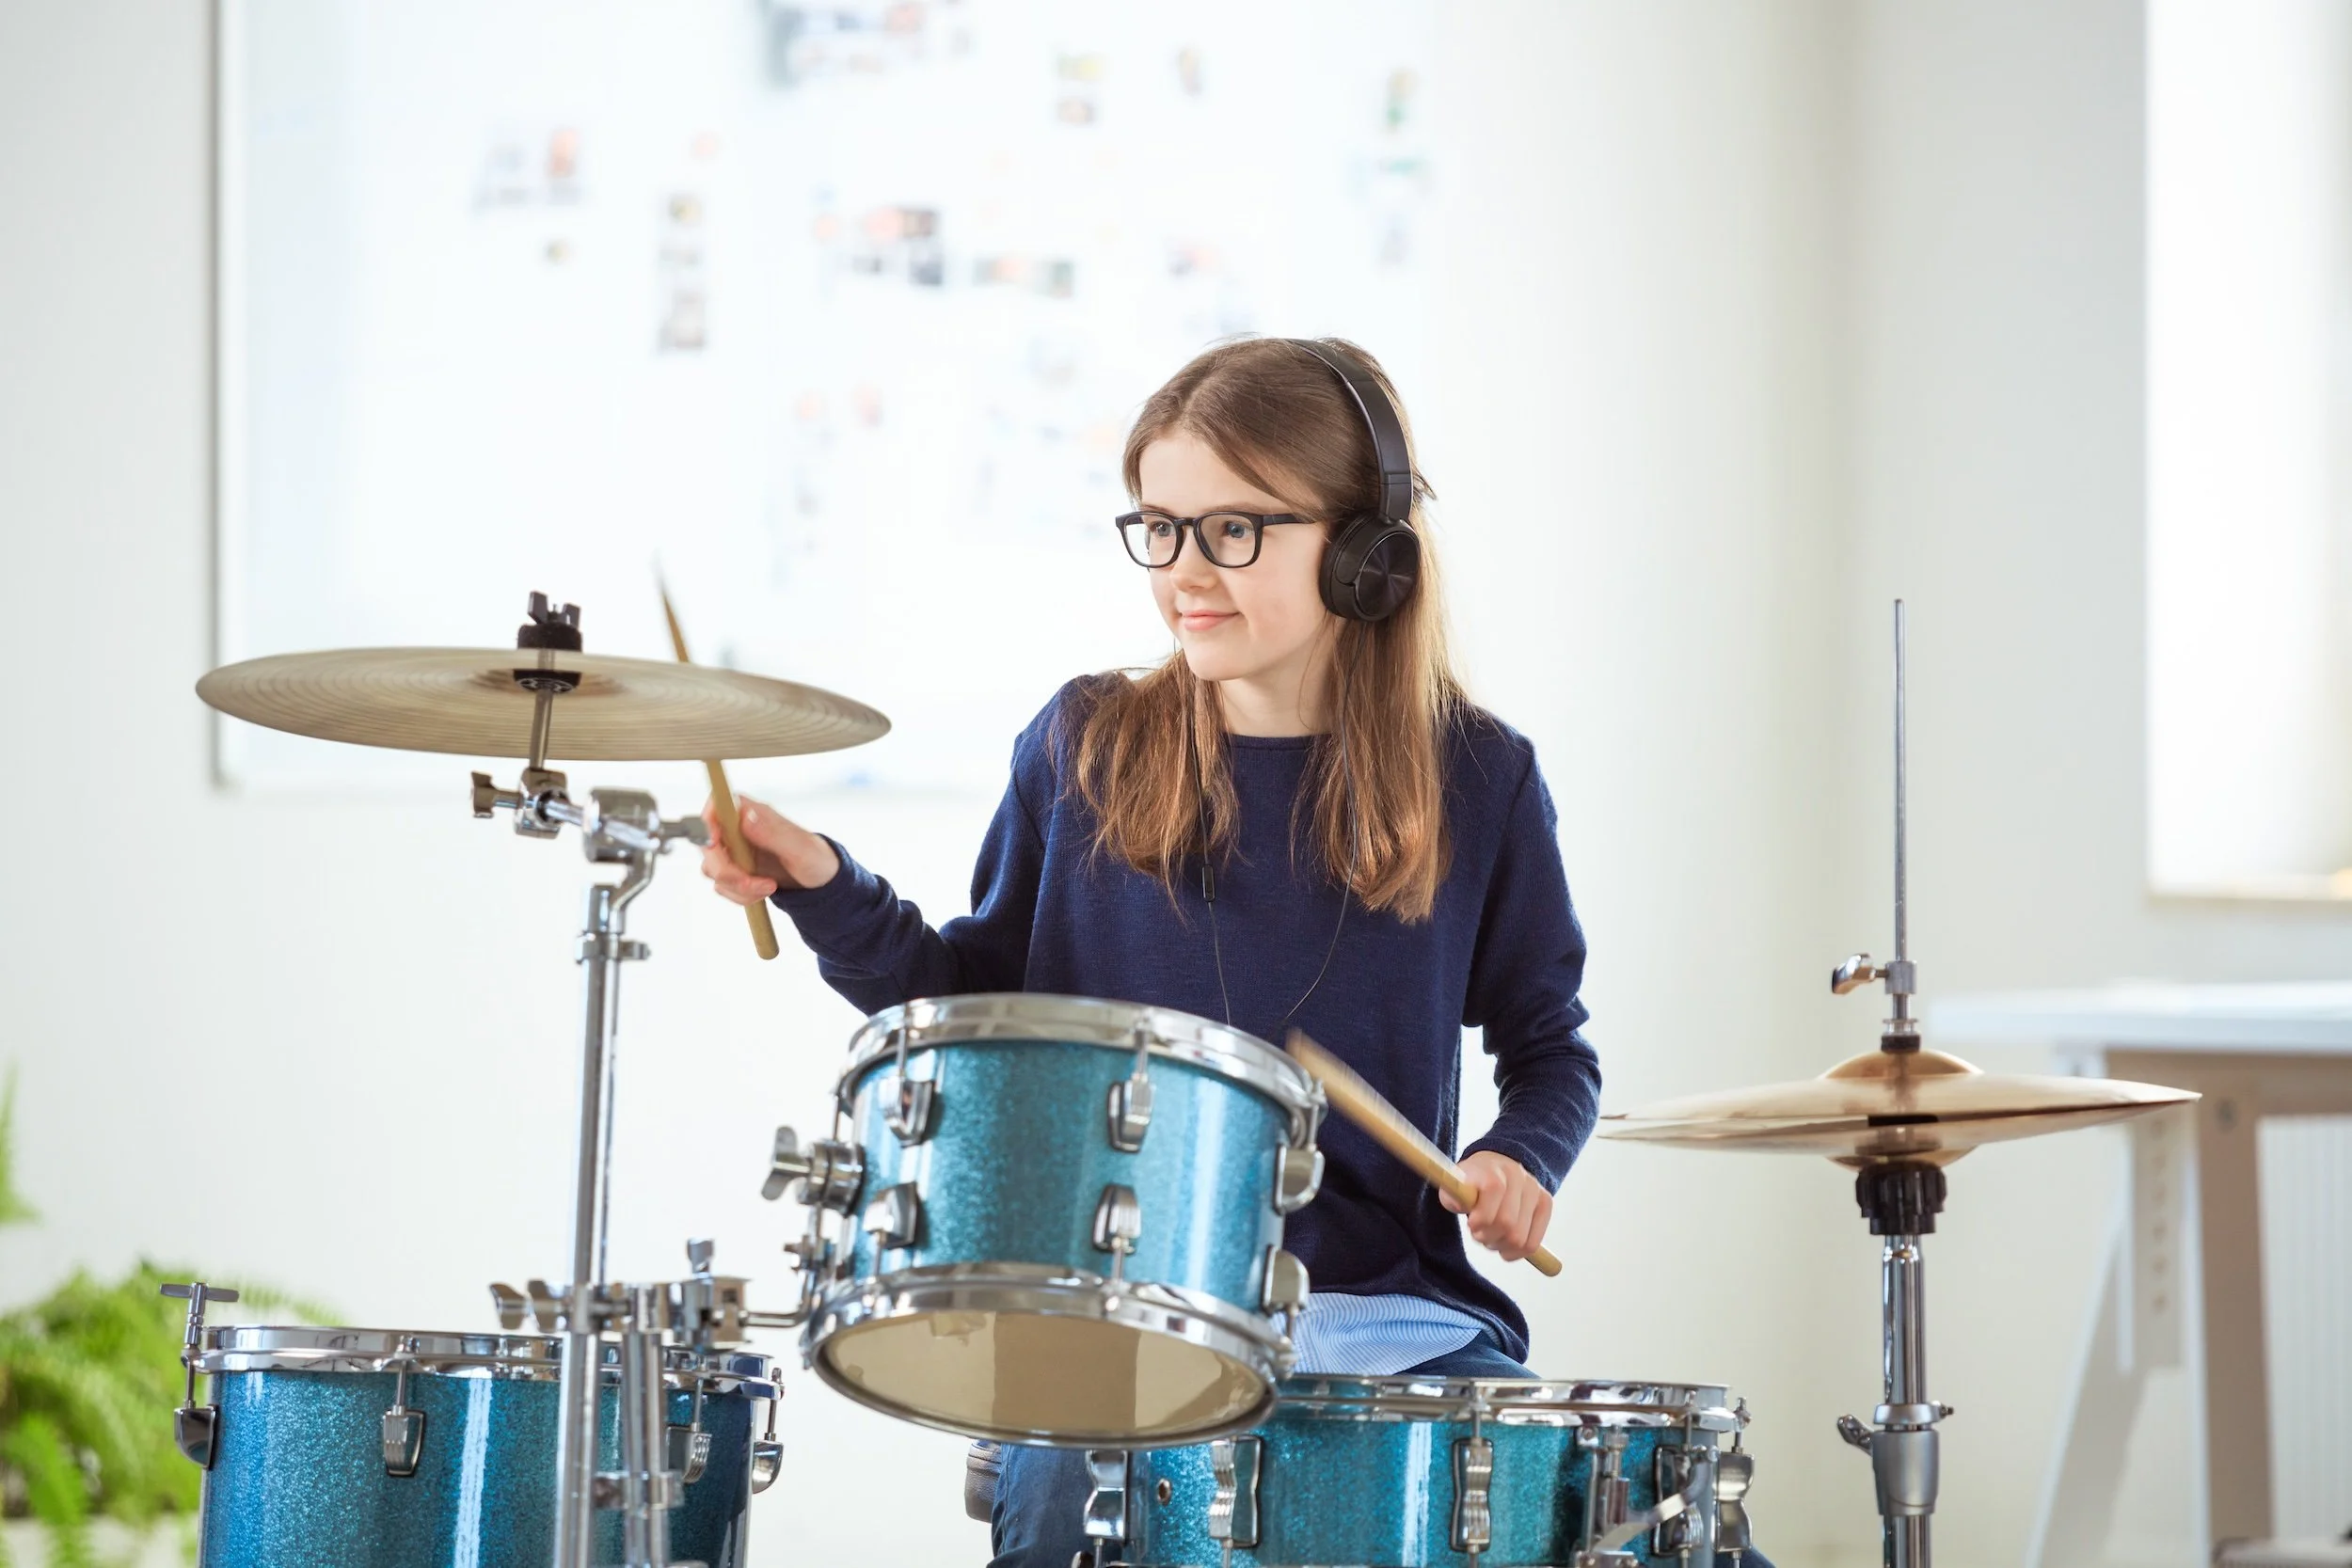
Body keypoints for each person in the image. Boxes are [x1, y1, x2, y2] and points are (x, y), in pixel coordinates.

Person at [704, 337, 1769, 1567]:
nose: (1183, 574)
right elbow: (970, 1009)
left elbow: (1548, 1045)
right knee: (1073, 1499)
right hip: (1119, 1324)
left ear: (1364, 552)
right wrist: (829, 889)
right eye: (1158, 527)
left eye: (1231, 532)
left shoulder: (1481, 777)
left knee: (1647, 1520)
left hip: (1386, 1323)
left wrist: (1522, 1156)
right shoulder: (1082, 743)